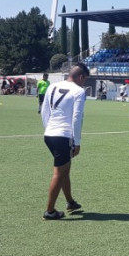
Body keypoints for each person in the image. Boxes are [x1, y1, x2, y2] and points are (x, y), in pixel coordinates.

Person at [40, 63, 90, 220]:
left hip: (49, 134)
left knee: (64, 170)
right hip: (64, 136)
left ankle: (70, 202)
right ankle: (50, 211)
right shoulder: (79, 91)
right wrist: (77, 141)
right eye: (85, 80)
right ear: (81, 77)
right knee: (59, 173)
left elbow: (44, 110)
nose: (84, 83)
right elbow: (77, 117)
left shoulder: (53, 86)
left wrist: (49, 128)